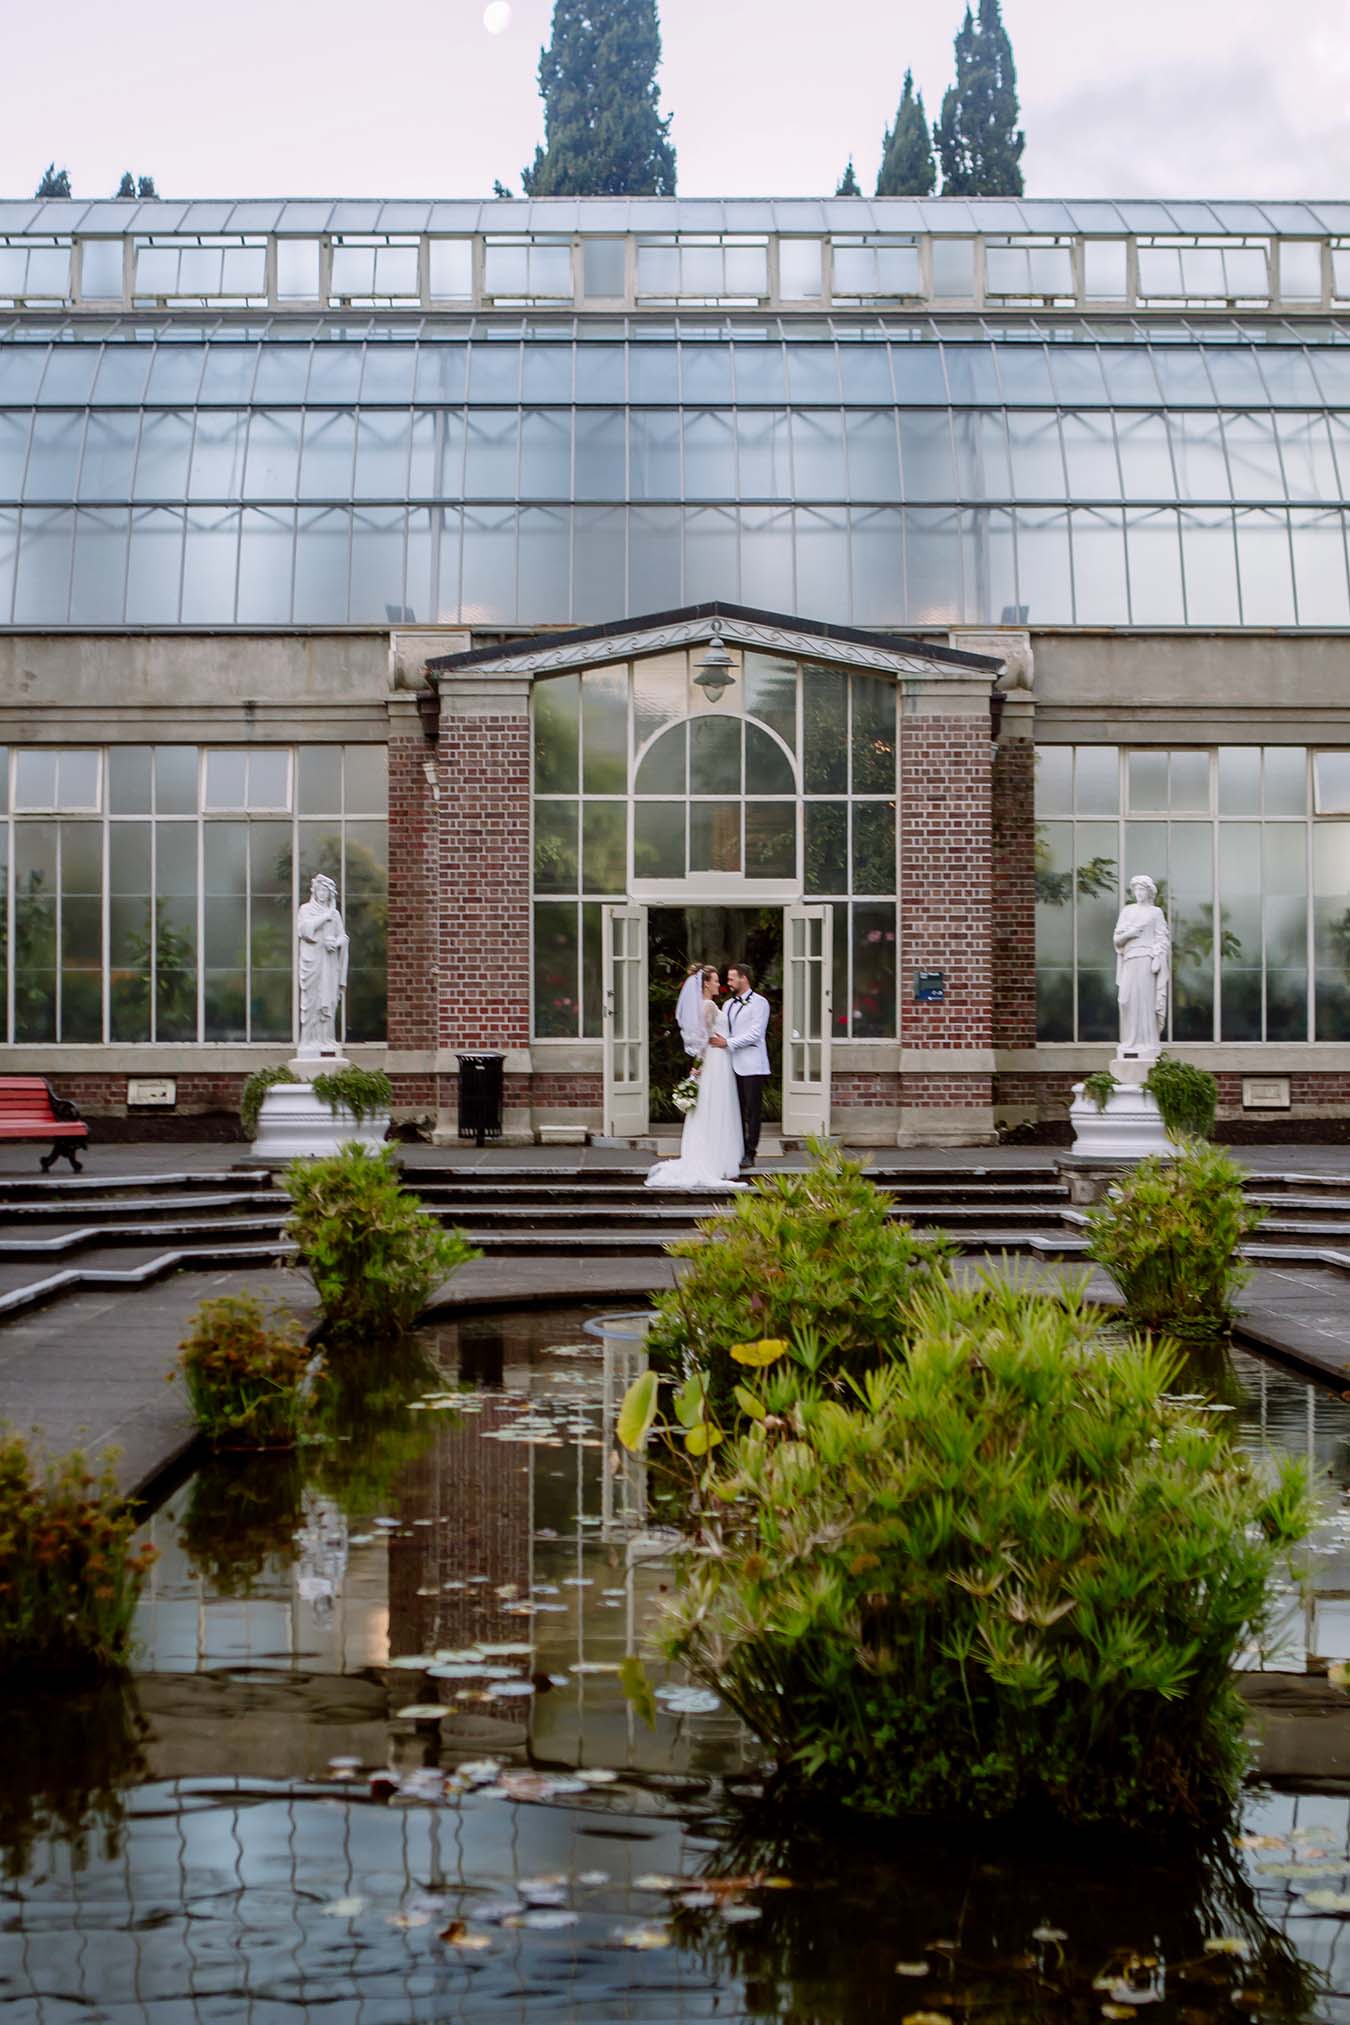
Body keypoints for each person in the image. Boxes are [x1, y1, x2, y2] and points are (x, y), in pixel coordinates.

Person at [644, 966, 747, 1190]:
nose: (718, 984)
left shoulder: (707, 1004)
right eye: (715, 980)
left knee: (711, 1107)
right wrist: (698, 1065)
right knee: (716, 1107)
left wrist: (697, 1065)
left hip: (717, 1059)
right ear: (705, 984)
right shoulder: (708, 1005)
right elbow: (703, 1039)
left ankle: (715, 1155)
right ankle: (715, 1159)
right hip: (715, 1061)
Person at [710, 963, 771, 1170]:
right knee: (735, 1110)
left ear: (744, 978)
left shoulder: (760, 1003)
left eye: (732, 978)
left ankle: (750, 1152)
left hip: (752, 1065)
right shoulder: (727, 1005)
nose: (728, 982)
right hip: (730, 1064)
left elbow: (756, 1034)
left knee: (752, 1111)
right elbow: (724, 1030)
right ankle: (736, 1149)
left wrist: (728, 1043)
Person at [1114, 873, 1170, 1056]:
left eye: (1141, 889)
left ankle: (1147, 1043)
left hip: (1146, 960)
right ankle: (1129, 1042)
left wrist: (1157, 956)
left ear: (1149, 891)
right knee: (1125, 1000)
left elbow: (1162, 937)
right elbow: (1117, 940)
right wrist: (1130, 934)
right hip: (1130, 960)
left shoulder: (1156, 912)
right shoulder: (1127, 911)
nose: (1138, 892)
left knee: (1145, 1002)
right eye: (1136, 889)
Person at [297, 872, 349, 1054]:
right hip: (312, 963)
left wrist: (336, 942)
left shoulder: (335, 914)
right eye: (319, 889)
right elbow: (304, 930)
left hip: (329, 963)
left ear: (330, 894)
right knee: (311, 1001)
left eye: (325, 891)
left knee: (328, 1000)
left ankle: (326, 1039)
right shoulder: (305, 910)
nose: (322, 894)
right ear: (314, 891)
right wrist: (324, 918)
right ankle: (309, 1041)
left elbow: (343, 936)